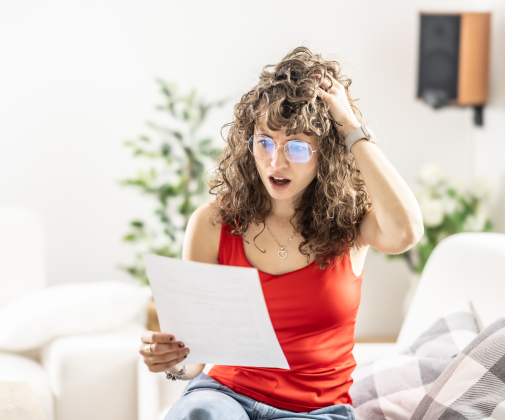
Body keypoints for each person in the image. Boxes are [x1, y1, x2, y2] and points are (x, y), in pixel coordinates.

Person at [138, 46, 424, 420]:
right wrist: (173, 362)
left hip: (317, 411)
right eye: (265, 142)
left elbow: (406, 232)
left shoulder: (350, 224)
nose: (276, 161)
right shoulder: (211, 224)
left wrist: (351, 128)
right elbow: (195, 359)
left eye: (298, 148)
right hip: (224, 397)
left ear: (328, 154)